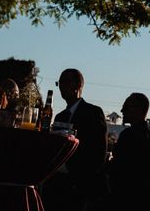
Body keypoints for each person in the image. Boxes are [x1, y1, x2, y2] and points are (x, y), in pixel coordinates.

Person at [42, 68, 108, 211]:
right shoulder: (60, 116)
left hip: (79, 184)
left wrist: (85, 182)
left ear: (78, 86)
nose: (61, 86)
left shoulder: (93, 113)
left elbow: (98, 151)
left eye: (66, 82)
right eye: (59, 83)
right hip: (56, 184)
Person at [108, 92, 150, 210]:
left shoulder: (129, 135)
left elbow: (118, 168)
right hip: (148, 198)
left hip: (127, 198)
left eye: (126, 107)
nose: (122, 110)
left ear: (138, 110)